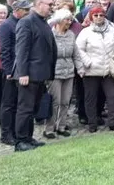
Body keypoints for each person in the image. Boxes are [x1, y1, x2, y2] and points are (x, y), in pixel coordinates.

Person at [13, 0, 57, 152]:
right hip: (28, 75)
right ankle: (20, 141)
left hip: (40, 74)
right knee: (25, 108)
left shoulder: (43, 22)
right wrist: (23, 73)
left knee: (32, 108)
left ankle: (28, 137)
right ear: (38, 4)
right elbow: (22, 50)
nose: (52, 7)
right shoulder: (26, 22)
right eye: (49, 4)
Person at [76, 6, 114, 132]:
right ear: (91, 17)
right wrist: (87, 62)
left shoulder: (111, 30)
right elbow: (79, 49)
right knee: (91, 98)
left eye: (101, 15)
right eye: (95, 15)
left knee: (113, 96)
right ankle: (92, 123)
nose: (98, 17)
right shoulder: (85, 32)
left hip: (108, 70)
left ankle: (113, 122)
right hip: (91, 70)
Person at [0, 0, 30, 146]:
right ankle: (6, 134)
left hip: (21, 69)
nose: (29, 12)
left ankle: (18, 132)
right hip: (11, 70)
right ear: (17, 11)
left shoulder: (23, 23)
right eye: (26, 10)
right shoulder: (6, 26)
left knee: (19, 103)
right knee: (8, 104)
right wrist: (8, 70)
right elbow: (4, 50)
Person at [45, 8, 79, 139]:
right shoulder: (50, 34)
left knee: (65, 101)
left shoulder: (71, 34)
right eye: (67, 19)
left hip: (69, 72)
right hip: (54, 73)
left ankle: (61, 126)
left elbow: (75, 53)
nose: (69, 22)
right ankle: (49, 128)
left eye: (71, 19)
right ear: (59, 20)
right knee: (55, 101)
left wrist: (80, 68)